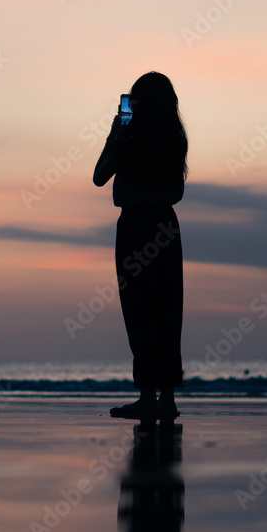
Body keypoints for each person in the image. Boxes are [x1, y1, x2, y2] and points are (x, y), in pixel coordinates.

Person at [93, 71, 188, 419]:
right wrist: (118, 134)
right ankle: (160, 397)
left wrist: (119, 135)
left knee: (148, 310)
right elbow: (100, 176)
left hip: (142, 224)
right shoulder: (164, 139)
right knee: (158, 310)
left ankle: (157, 396)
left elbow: (100, 176)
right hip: (156, 225)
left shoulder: (151, 140)